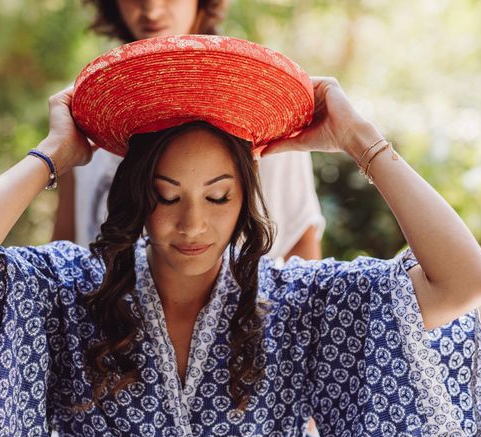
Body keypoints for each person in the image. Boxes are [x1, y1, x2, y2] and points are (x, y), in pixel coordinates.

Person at [0, 37, 481, 437]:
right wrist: (54, 153)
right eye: (166, 197)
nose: (192, 224)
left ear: (246, 198)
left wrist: (361, 142)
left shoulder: (302, 303)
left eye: (218, 197)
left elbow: (465, 281)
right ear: (137, 199)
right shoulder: (71, 291)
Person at [53, 0, 324, 261]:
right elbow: (65, 242)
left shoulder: (255, 102)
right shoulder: (89, 105)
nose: (152, 8)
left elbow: (299, 239)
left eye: (216, 197)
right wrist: (49, 159)